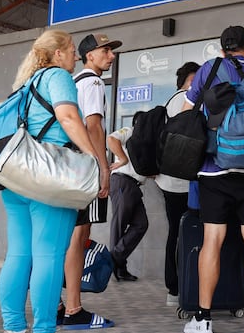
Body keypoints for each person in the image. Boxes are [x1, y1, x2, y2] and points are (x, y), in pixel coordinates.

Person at [0, 29, 103, 333]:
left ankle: (14, 326)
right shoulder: (58, 77)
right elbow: (68, 117)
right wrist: (95, 160)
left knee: (18, 254)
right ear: (57, 54)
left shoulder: (25, 84)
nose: (75, 55)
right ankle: (44, 328)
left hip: (17, 179)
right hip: (49, 179)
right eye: (71, 49)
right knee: (49, 255)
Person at [182, 26, 244, 333]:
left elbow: (187, 116)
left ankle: (202, 318)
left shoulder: (207, 71)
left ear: (222, 47)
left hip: (214, 171)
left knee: (211, 240)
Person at [61, 33, 119, 329]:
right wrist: (103, 167)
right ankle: (74, 309)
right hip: (85, 169)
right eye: (105, 51)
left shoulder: (72, 83)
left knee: (64, 236)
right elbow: (93, 126)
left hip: (66, 167)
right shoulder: (94, 82)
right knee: (79, 236)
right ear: (89, 56)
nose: (110, 56)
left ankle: (59, 304)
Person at [157, 61, 199, 306]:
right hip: (181, 182)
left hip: (170, 180)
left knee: (176, 231)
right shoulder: (184, 99)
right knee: (182, 233)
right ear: (190, 80)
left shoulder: (168, 101)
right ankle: (177, 288)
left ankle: (176, 288)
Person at [106, 114, 149, 283]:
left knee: (141, 224)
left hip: (134, 187)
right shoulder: (130, 131)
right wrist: (123, 159)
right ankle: (118, 267)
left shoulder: (146, 142)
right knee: (119, 225)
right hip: (123, 181)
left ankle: (114, 259)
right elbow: (111, 139)